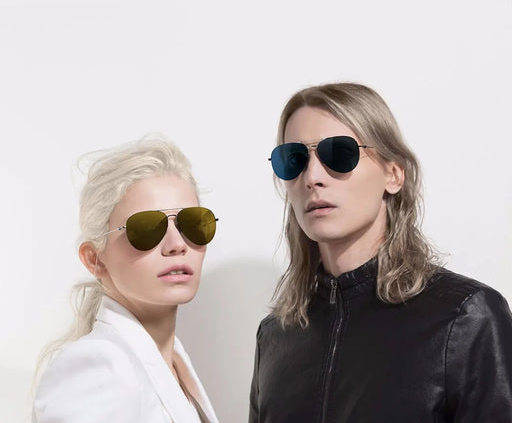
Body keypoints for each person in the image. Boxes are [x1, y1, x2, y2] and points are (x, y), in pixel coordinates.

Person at [249, 82, 512, 422]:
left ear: (393, 174)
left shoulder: (465, 317)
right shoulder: (276, 337)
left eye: (338, 153)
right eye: (294, 160)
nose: (312, 177)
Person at [32, 137, 219, 423]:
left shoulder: (173, 366)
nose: (177, 244)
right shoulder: (98, 368)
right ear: (95, 259)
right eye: (146, 229)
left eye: (193, 223)